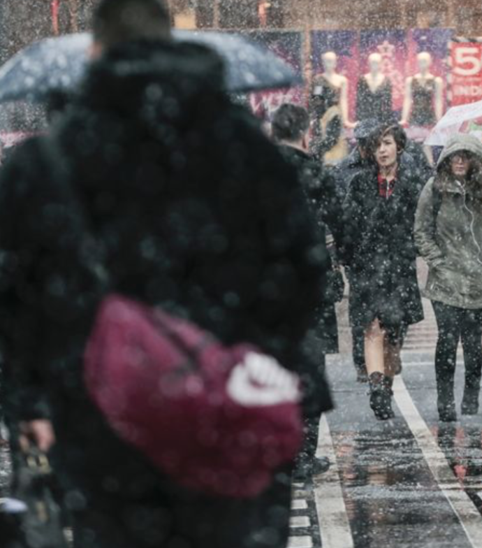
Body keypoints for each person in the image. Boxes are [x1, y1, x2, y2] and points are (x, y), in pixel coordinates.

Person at [0, 1, 330, 547]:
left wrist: (30, 402)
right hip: (224, 401)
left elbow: (17, 297)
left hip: (101, 411)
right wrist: (254, 348)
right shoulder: (243, 148)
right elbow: (303, 269)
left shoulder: (49, 160)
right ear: (171, 41)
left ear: (96, 51)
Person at [272, 104, 344, 482]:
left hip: (268, 289)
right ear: (305, 133)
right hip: (309, 286)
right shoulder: (315, 172)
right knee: (310, 370)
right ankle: (302, 455)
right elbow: (342, 223)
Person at [415, 134, 482, 421]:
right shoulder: (435, 188)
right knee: (447, 339)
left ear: (476, 161)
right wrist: (437, 261)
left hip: (478, 278)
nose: (459, 161)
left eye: (466, 156)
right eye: (455, 155)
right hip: (445, 279)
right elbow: (422, 230)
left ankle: (471, 394)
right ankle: (445, 399)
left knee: (473, 341)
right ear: (446, 158)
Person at [340, 123, 425, 420]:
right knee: (372, 327)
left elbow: (424, 222)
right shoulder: (360, 183)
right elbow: (347, 225)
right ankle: (376, 388)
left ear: (398, 146)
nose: (382, 150)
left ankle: (385, 383)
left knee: (393, 332)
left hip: (399, 268)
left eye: (387, 143)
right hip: (367, 266)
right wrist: (347, 259)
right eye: (377, 145)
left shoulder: (413, 182)